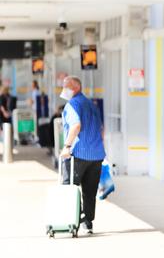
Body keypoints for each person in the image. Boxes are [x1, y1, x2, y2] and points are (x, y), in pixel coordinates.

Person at [59, 76, 106, 234]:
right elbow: (102, 129)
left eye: (66, 86)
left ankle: (71, 222)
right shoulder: (92, 105)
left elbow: (76, 125)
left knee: (70, 187)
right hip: (96, 155)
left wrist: (67, 146)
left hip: (78, 154)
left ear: (75, 87)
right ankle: (88, 223)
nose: (63, 89)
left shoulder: (72, 104)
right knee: (90, 191)